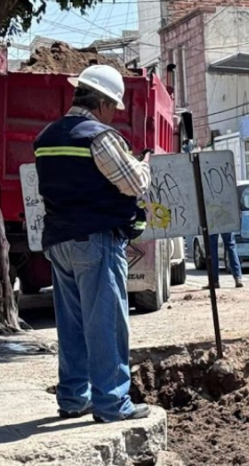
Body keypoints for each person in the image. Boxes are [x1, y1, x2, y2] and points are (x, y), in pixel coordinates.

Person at [34, 65, 151, 423]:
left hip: (59, 241)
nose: (114, 114)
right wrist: (144, 165)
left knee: (72, 325)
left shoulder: (46, 137)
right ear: (101, 103)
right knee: (106, 323)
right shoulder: (99, 137)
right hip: (95, 240)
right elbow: (134, 183)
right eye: (113, 106)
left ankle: (73, 398)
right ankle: (112, 403)